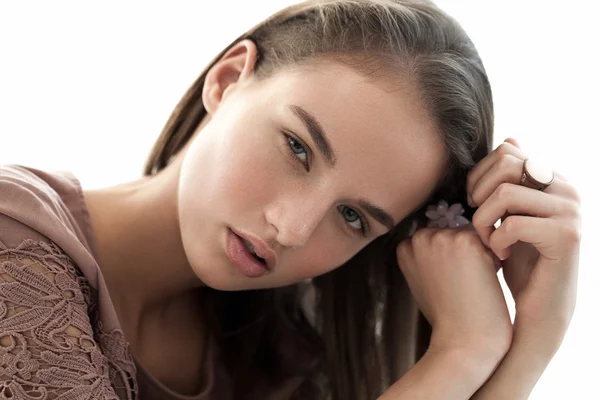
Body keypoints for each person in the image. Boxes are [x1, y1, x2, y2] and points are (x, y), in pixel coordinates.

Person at [0, 0, 582, 399]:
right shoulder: (13, 239)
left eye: (353, 217)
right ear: (228, 80)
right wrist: (456, 354)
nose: (293, 229)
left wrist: (529, 343)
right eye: (298, 149)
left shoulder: (277, 361)